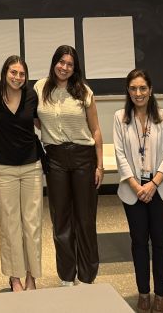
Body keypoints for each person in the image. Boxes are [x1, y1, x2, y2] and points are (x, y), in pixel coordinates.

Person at [35, 44, 103, 285]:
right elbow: (36, 119)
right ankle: (66, 275)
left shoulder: (84, 91)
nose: (64, 67)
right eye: (61, 62)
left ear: (75, 68)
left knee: (85, 219)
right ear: (54, 63)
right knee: (61, 219)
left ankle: (87, 276)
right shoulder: (40, 88)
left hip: (84, 157)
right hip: (55, 159)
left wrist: (99, 165)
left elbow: (95, 129)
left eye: (70, 64)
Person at [113, 68, 163, 313]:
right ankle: (143, 293)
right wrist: (135, 185)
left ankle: (160, 295)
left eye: (142, 88)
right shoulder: (120, 117)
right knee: (138, 242)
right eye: (133, 88)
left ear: (150, 90)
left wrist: (153, 184)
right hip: (133, 190)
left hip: (160, 188)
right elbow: (120, 155)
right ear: (128, 91)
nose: (138, 93)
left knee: (160, 242)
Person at [0, 55, 44, 292]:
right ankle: (14, 276)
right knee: (10, 225)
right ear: (5, 73)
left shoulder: (31, 96)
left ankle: (31, 275)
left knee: (32, 224)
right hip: (6, 169)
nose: (17, 77)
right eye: (13, 72)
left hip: (32, 167)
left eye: (21, 74)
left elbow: (42, 123)